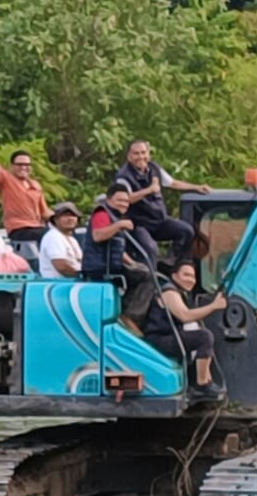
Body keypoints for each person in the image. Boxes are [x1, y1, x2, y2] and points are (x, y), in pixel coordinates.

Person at [114, 140, 211, 269]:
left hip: (159, 220)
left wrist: (197, 187)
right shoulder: (123, 176)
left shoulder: (154, 168)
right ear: (129, 156)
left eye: (143, 152)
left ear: (148, 153)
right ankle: (149, 282)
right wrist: (149, 190)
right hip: (139, 224)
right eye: (136, 153)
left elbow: (173, 183)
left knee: (186, 231)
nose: (140, 157)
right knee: (151, 249)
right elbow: (125, 199)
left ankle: (170, 263)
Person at [143, 260, 227, 401]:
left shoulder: (179, 292)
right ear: (175, 276)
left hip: (168, 336)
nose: (191, 280)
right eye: (186, 275)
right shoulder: (169, 292)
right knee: (204, 337)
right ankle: (201, 385)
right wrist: (214, 306)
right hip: (159, 339)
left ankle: (206, 381)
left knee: (201, 334)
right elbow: (185, 315)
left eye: (193, 276)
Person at [82, 184, 154, 325]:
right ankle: (129, 315)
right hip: (99, 267)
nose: (124, 204)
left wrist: (133, 263)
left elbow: (117, 248)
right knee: (146, 278)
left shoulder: (115, 217)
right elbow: (98, 236)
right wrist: (119, 225)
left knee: (146, 272)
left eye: (126, 201)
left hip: (111, 264)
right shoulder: (102, 214)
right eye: (119, 200)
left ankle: (126, 311)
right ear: (109, 200)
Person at [0, 125, 50, 242]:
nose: (23, 167)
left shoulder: (35, 186)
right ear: (12, 166)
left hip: (37, 228)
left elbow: (45, 212)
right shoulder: (6, 180)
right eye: (19, 164)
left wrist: (65, 216)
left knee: (62, 235)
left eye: (27, 165)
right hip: (19, 230)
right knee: (48, 235)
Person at [38, 202, 82, 279]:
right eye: (65, 215)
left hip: (72, 282)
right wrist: (82, 276)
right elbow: (61, 267)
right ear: (55, 220)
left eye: (73, 215)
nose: (70, 218)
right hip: (58, 284)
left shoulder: (72, 239)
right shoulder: (53, 236)